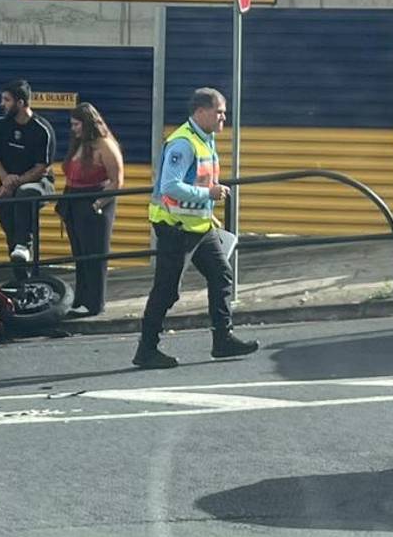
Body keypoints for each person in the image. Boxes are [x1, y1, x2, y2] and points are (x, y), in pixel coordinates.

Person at [134, 88, 260, 369]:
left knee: (221, 274)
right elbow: (170, 186)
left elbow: (198, 182)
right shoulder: (183, 143)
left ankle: (222, 339)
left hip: (199, 226)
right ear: (201, 112)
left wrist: (207, 211)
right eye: (219, 112)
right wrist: (209, 196)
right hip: (175, 228)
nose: (223, 117)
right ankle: (146, 350)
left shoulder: (205, 139)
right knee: (166, 291)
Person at [0, 79, 57, 280]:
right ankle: (20, 269)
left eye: (7, 100)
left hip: (39, 182)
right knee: (5, 205)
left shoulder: (42, 129)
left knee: (25, 195)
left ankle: (24, 244)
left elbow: (41, 167)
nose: (3, 104)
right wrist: (6, 179)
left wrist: (15, 183)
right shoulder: (0, 125)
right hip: (9, 182)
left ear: (21, 103)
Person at [58, 103, 125, 317]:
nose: (74, 129)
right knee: (80, 255)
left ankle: (95, 303)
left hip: (94, 203)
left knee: (94, 255)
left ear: (88, 124)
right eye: (72, 124)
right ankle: (81, 298)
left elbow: (117, 181)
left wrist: (97, 204)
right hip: (72, 201)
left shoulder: (105, 145)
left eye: (77, 124)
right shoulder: (79, 144)